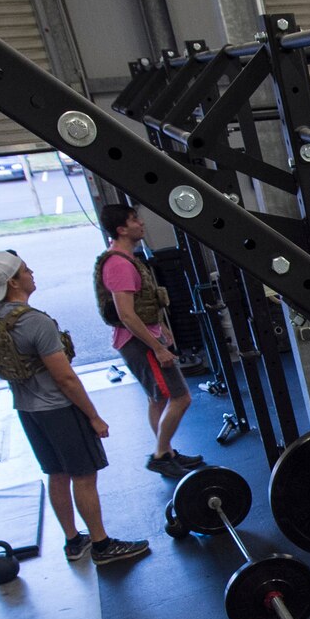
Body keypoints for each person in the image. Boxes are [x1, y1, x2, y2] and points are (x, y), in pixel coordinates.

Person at [0, 250, 149, 567]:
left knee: (57, 474)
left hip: (29, 411)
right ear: (14, 281)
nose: (32, 273)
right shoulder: (34, 323)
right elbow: (65, 378)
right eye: (26, 270)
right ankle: (102, 545)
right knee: (84, 476)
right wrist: (93, 416)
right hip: (58, 410)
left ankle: (73, 541)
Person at [95, 203, 203, 479]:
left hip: (143, 339)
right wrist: (157, 348)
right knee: (181, 397)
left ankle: (166, 452)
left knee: (157, 400)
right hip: (140, 344)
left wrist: (161, 329)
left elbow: (142, 306)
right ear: (121, 229)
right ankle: (160, 455)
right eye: (134, 220)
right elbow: (127, 315)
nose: (141, 223)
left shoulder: (123, 258)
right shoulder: (119, 264)